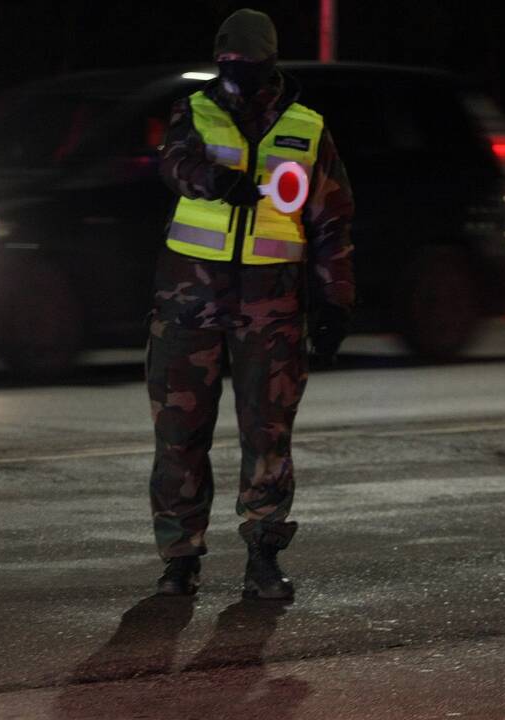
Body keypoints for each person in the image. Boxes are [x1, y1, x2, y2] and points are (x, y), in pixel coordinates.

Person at [148, 8, 354, 599]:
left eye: (246, 64)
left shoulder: (308, 128)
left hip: (273, 306)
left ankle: (263, 559)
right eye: (227, 63)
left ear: (269, 63)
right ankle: (179, 559)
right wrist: (212, 180)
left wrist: (336, 301)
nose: (234, 73)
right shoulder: (195, 110)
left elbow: (331, 223)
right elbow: (174, 164)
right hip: (188, 301)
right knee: (179, 435)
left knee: (268, 436)